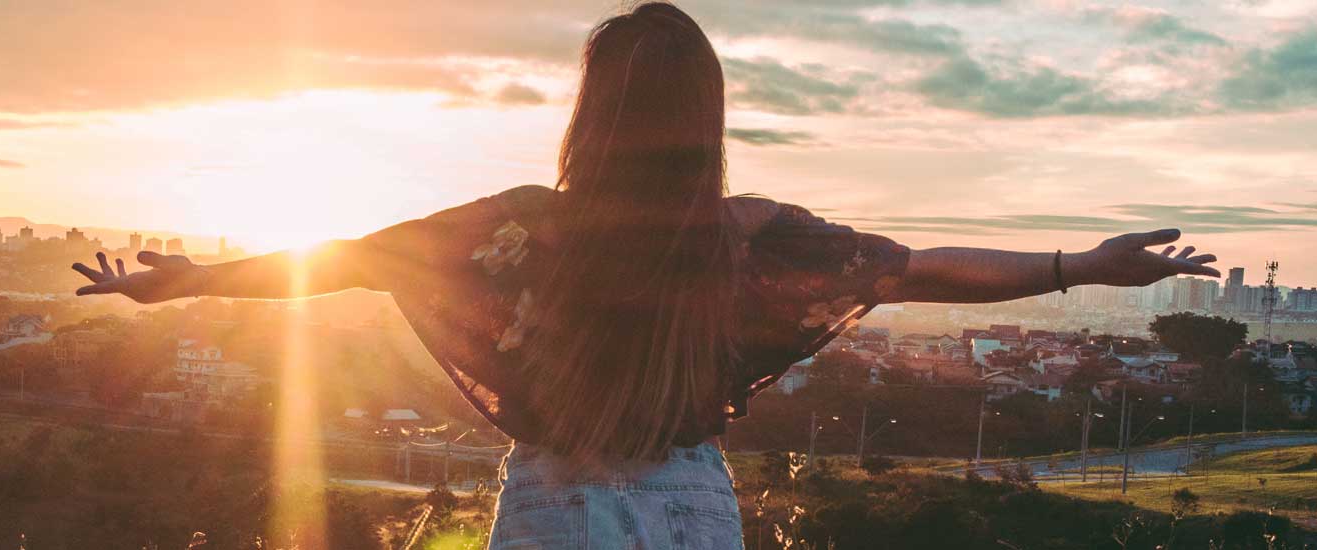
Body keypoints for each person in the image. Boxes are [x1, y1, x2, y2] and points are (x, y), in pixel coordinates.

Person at [70, 3, 1220, 548]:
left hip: (553, 502)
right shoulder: (752, 236)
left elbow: (341, 263)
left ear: (589, 110)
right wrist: (1079, 264)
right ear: (704, 114)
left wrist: (184, 283)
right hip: (687, 506)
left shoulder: (523, 230)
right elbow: (918, 272)